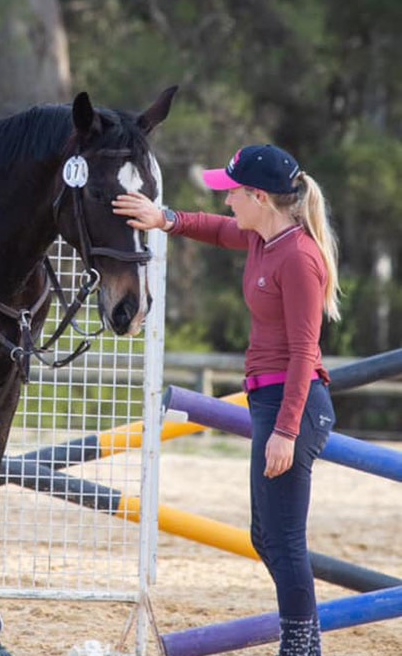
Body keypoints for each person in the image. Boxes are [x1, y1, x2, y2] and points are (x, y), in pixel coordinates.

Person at [112, 144, 340, 656]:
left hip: (294, 406)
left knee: (282, 541)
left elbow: (306, 351)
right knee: (266, 537)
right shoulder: (263, 237)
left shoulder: (299, 257)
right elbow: (213, 227)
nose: (227, 199)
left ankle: (302, 647)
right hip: (270, 402)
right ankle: (301, 641)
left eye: (233, 192)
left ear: (259, 196)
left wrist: (285, 430)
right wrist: (162, 218)